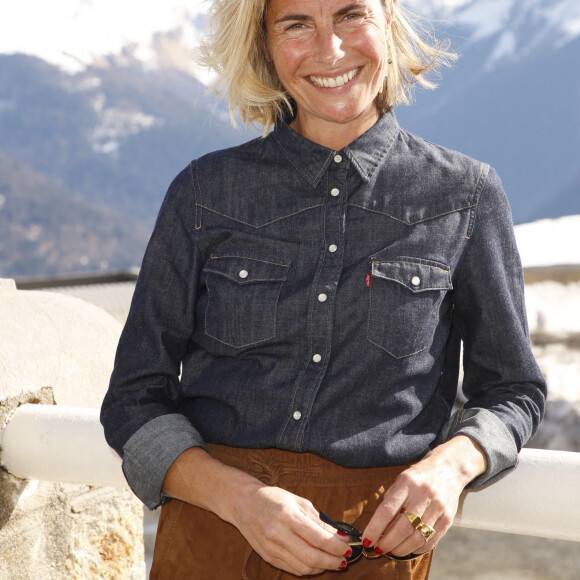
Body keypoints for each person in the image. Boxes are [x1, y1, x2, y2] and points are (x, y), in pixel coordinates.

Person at [100, 0, 547, 578]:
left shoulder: (465, 196)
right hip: (212, 536)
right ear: (264, 46)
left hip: (378, 548)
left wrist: (453, 464)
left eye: (351, 14)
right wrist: (240, 500)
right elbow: (133, 401)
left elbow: (513, 390)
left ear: (388, 22)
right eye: (296, 25)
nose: (330, 49)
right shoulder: (203, 194)